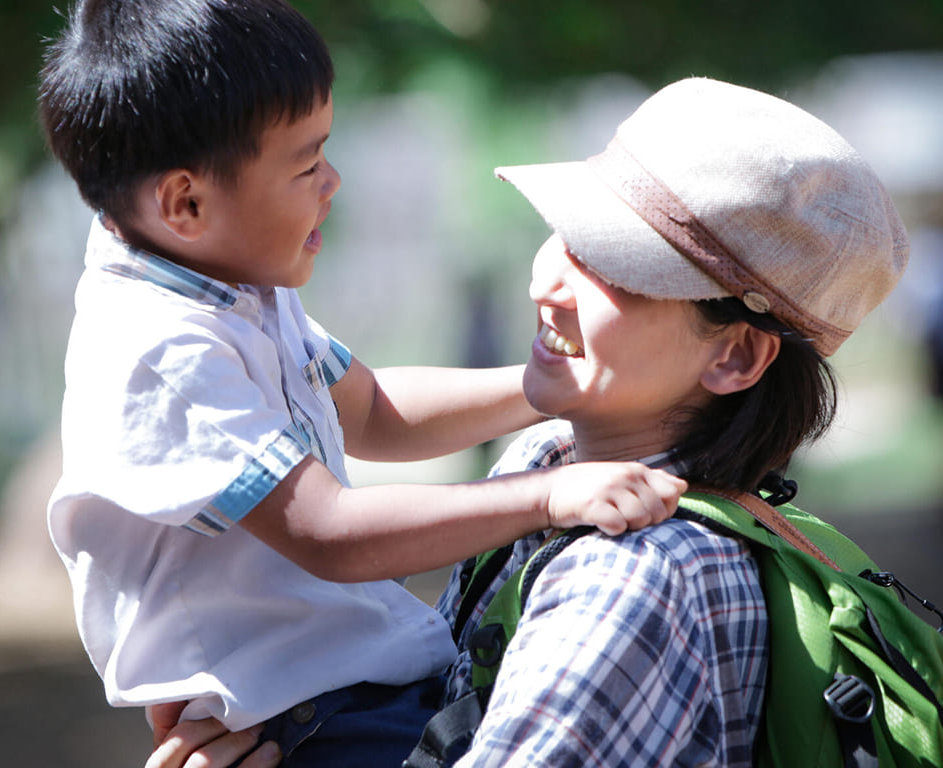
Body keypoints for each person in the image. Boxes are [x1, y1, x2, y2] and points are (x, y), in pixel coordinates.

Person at [37, 0, 685, 767]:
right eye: (307, 164)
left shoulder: (228, 282)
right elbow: (331, 532)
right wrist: (549, 494)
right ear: (186, 201)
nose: (333, 181)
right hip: (312, 727)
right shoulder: (164, 348)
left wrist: (542, 387)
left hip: (349, 691)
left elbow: (372, 408)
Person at [144, 76, 909, 767]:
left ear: (736, 356)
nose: (550, 283)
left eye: (614, 269)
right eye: (567, 237)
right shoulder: (548, 458)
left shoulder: (633, 577)